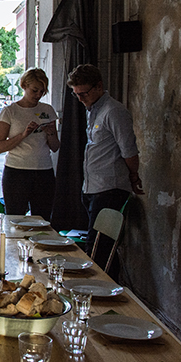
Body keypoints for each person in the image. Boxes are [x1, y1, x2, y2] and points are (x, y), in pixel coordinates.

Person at [67, 64, 143, 266]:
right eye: (76, 94)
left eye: (83, 93)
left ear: (98, 86)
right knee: (101, 248)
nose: (80, 99)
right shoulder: (93, 110)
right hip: (93, 188)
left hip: (110, 188)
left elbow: (129, 150)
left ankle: (99, 286)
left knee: (97, 250)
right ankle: (110, 283)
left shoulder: (114, 111)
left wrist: (133, 176)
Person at [0, 68, 60, 221]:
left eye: (42, 91)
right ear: (24, 86)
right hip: (16, 172)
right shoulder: (10, 111)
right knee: (15, 219)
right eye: (34, 90)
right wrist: (23, 135)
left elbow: (55, 147)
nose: (38, 95)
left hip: (44, 171)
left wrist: (50, 133)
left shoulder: (47, 110)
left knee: (42, 220)